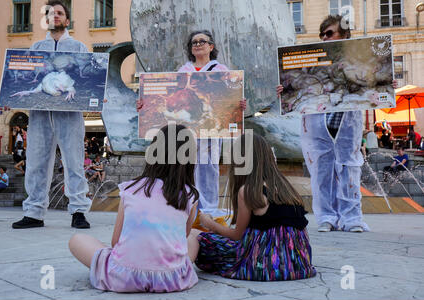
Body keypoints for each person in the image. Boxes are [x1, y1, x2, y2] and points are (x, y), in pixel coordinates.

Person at [276, 15, 392, 232]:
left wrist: (388, 85)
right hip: (317, 121)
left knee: (349, 168)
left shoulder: (360, 58)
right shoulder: (310, 60)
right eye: (322, 34)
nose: (324, 37)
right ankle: (326, 217)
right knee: (322, 170)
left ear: (344, 35)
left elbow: (375, 84)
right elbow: (297, 87)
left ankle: (352, 218)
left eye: (329, 33)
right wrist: (285, 91)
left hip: (346, 121)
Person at [69, 124, 199, 293]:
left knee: (77, 240)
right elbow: (183, 237)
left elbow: (116, 241)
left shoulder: (131, 189)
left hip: (125, 277)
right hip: (171, 279)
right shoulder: (190, 195)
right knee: (194, 238)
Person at [137, 29, 246, 218]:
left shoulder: (222, 71)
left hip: (210, 129)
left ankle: (209, 207)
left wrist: (240, 104)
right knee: (185, 166)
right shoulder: (183, 71)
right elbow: (168, 98)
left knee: (209, 166)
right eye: (193, 42)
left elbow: (230, 98)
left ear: (211, 46)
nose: (197, 45)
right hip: (186, 129)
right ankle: (187, 205)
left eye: (201, 41)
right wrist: (144, 104)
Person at [187, 133, 316, 281]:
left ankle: (180, 269)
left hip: (261, 264)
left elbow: (237, 236)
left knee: (197, 237)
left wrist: (211, 224)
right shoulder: (286, 188)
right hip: (296, 264)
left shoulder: (248, 190)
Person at [12, 1, 91, 229]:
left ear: (67, 20)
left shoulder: (79, 48)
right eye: (49, 13)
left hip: (71, 113)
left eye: (59, 13)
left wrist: (96, 94)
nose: (54, 16)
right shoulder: (35, 48)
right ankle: (34, 212)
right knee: (36, 161)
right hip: (39, 114)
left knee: (74, 161)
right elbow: (26, 79)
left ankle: (78, 211)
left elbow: (87, 78)